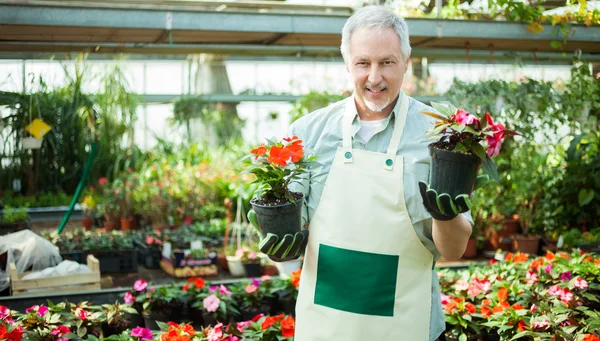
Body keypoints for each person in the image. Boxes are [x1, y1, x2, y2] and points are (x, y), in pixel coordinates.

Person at [250, 6, 477, 341]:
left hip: (408, 324)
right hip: (328, 326)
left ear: (406, 61)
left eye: (387, 62)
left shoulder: (442, 135)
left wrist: (446, 217)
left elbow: (454, 251)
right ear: (347, 64)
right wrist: (278, 243)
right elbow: (289, 229)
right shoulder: (308, 133)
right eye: (363, 63)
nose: (374, 77)